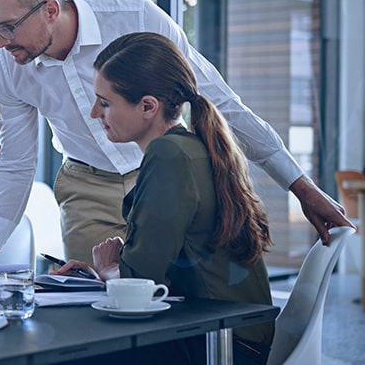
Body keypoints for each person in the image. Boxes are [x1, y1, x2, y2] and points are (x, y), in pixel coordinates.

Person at [0, 0, 351, 273]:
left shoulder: (136, 19)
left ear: (49, 9)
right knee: (97, 310)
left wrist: (302, 189)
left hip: (162, 178)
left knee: (175, 304)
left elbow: (220, 103)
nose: (0, 43)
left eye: (8, 27)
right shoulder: (10, 64)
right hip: (86, 188)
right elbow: (18, 161)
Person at [53, 32, 273, 364]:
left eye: (105, 102)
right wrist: (106, 271)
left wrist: (109, 268)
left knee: (67, 349)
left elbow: (141, 283)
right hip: (230, 335)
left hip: (219, 344)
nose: (95, 113)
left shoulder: (168, 154)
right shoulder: (192, 147)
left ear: (147, 107)